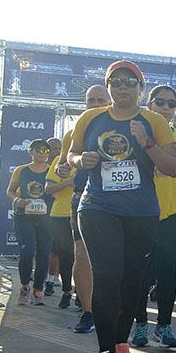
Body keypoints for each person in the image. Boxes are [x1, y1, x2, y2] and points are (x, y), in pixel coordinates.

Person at [68, 60, 176, 353]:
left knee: (132, 281)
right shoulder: (91, 119)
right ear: (109, 86)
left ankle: (121, 345)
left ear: (140, 89)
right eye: (116, 82)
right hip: (97, 207)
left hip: (141, 212)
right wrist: (80, 160)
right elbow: (71, 156)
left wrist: (146, 142)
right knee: (107, 276)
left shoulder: (154, 121)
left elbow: (171, 167)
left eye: (131, 83)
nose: (123, 87)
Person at [132, 85, 176, 349]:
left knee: (167, 271)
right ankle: (140, 325)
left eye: (171, 103)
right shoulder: (133, 132)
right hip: (139, 213)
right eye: (160, 102)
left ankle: (165, 326)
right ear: (149, 104)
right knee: (140, 273)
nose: (166, 108)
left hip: (172, 212)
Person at [63, 85, 113, 332]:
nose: (94, 104)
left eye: (100, 100)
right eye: (90, 100)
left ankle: (113, 310)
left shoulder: (124, 126)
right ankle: (87, 312)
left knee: (113, 261)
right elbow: (65, 163)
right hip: (84, 198)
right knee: (81, 256)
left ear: (110, 101)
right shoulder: (75, 131)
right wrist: (73, 163)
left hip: (119, 201)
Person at [7, 139, 53, 305]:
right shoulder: (21, 170)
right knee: (27, 251)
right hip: (24, 216)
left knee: (43, 254)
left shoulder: (52, 170)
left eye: (46, 150)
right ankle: (25, 286)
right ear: (31, 152)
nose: (42, 153)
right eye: (39, 150)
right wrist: (17, 199)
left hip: (47, 218)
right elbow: (10, 191)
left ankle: (38, 290)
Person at [45, 142, 77, 309]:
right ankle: (66, 291)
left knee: (85, 258)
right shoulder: (60, 160)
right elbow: (48, 189)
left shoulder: (93, 158)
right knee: (65, 257)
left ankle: (82, 293)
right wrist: (70, 181)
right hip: (61, 215)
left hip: (86, 213)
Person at [43, 137, 63, 296]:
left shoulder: (63, 165)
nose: (55, 151)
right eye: (52, 148)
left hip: (57, 211)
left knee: (56, 247)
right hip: (40, 212)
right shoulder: (36, 168)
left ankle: (53, 276)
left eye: (58, 148)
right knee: (42, 245)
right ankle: (40, 274)